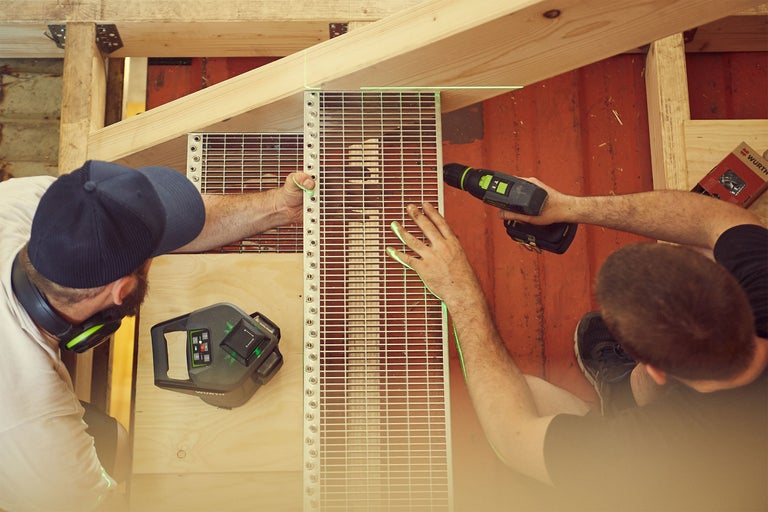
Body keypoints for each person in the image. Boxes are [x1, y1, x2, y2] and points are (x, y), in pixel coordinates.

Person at [387, 181, 767, 511]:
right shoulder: (761, 290)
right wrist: (567, 205)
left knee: (524, 398)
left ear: (656, 369)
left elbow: (511, 438)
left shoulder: (655, 456)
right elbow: (724, 220)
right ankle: (622, 394)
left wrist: (459, 293)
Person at [0, 160, 314, 512]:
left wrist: (277, 207)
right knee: (115, 446)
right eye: (151, 254)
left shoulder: (35, 203)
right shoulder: (35, 425)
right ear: (122, 291)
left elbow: (161, 224)